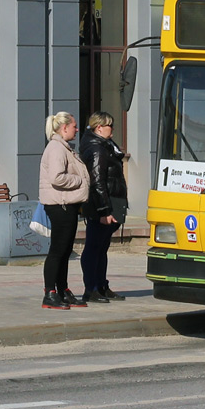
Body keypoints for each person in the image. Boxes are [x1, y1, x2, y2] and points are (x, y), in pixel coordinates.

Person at [38, 112, 89, 310]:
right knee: (58, 250)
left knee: (66, 250)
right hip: (60, 205)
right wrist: (80, 181)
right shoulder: (56, 148)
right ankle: (49, 292)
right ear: (63, 128)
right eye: (74, 126)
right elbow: (57, 177)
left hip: (67, 204)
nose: (77, 130)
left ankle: (62, 290)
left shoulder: (63, 147)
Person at [79, 111, 129, 303]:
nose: (113, 129)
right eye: (110, 126)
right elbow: (97, 182)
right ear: (99, 128)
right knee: (94, 248)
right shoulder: (97, 149)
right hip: (101, 207)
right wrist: (104, 211)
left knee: (102, 248)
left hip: (109, 203)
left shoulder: (106, 146)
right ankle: (90, 289)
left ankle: (101, 285)